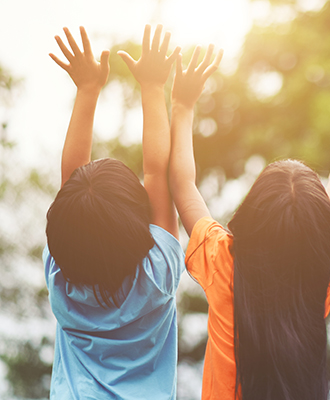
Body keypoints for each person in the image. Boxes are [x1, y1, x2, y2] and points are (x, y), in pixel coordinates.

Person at [169, 43, 330, 398]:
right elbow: (327, 226)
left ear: (251, 215)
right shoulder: (323, 274)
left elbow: (182, 185)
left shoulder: (224, 261)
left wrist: (182, 107)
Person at [44, 25, 184, 399]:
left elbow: (72, 187)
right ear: (140, 222)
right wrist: (154, 89)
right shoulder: (156, 277)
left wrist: (87, 90)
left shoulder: (61, 278)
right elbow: (157, 171)